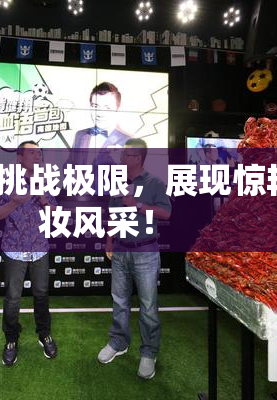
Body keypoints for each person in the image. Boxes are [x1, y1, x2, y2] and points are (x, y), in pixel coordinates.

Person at [98, 138, 172, 379]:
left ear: (138, 158)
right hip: (120, 250)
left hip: (145, 252)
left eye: (126, 155)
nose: (121, 158)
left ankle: (149, 351)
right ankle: (119, 342)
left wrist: (137, 205)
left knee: (148, 306)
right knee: (119, 301)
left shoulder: (154, 182)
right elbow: (112, 214)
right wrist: (109, 241)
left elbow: (165, 212)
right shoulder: (118, 183)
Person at [0, 140, 58, 366]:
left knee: (41, 294)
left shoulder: (45, 181)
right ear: (19, 158)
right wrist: (14, 202)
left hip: (40, 249)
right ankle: (11, 339)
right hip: (14, 250)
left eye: (39, 153)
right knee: (12, 299)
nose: (38, 156)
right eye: (32, 153)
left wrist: (44, 199)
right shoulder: (8, 182)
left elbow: (55, 215)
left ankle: (44, 335)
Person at [68, 82, 131, 166]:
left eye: (107, 108)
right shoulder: (80, 135)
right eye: (95, 106)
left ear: (117, 109)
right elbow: (69, 166)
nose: (100, 113)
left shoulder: (129, 142)